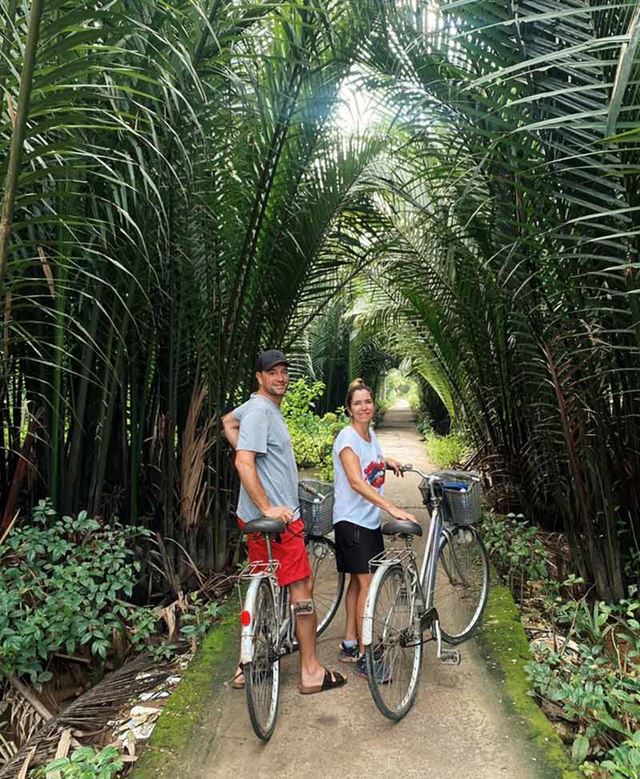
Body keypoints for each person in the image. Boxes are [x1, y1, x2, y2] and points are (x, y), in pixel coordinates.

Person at [221, 349, 347, 695]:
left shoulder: (252, 408)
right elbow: (243, 463)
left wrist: (257, 466)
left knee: (262, 582)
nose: (280, 377)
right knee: (301, 591)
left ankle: (244, 667)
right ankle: (310, 672)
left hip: (252, 520)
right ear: (259, 377)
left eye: (283, 372)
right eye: (272, 372)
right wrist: (270, 505)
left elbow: (227, 423)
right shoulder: (262, 411)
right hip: (278, 521)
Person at [332, 378, 417, 679]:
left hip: (366, 523)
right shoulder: (347, 438)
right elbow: (356, 480)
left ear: (373, 406)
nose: (364, 407)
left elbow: (372, 460)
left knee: (357, 584)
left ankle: (349, 643)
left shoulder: (369, 436)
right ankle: (366, 656)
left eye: (368, 401)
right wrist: (391, 507)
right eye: (358, 403)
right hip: (351, 523)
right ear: (349, 409)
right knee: (367, 586)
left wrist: (387, 461)